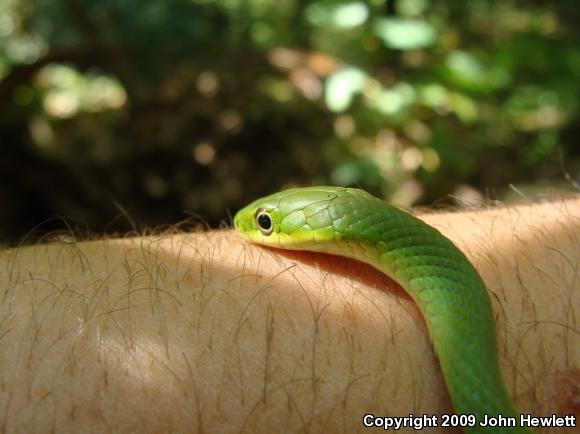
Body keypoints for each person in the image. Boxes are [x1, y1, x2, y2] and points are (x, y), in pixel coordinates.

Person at [0, 197, 578, 433]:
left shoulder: (430, 263)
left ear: (347, 230)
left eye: (268, 223)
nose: (250, 231)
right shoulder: (433, 267)